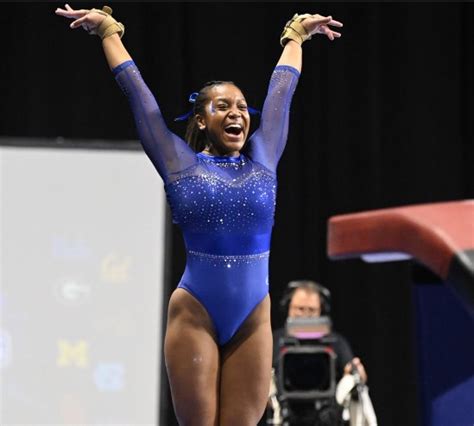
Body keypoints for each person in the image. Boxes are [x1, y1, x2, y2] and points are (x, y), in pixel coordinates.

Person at [55, 5, 343, 425]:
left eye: (243, 107)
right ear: (202, 120)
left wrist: (296, 36)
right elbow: (142, 102)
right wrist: (107, 32)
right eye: (223, 106)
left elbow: (282, 95)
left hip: (252, 316)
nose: (237, 114)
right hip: (196, 313)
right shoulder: (179, 164)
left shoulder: (264, 158)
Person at [270, 280, 368, 425]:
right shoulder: (273, 340)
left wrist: (356, 375)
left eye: (311, 310)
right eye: (300, 309)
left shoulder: (336, 342)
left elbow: (359, 377)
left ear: (321, 310)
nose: (305, 315)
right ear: (288, 307)